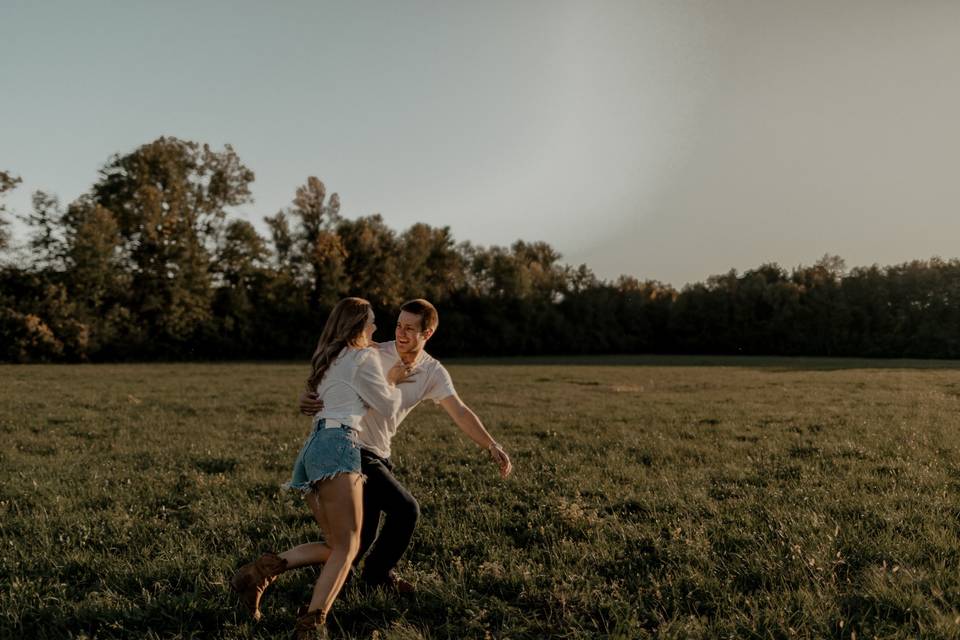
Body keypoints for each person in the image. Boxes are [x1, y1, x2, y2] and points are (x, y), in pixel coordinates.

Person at [299, 298, 513, 594]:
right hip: (352, 448)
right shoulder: (374, 350)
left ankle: (334, 584)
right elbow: (335, 363)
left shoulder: (432, 372)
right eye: (399, 325)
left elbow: (460, 411)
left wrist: (491, 444)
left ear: (428, 334)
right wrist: (308, 394)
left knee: (363, 536)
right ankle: (376, 577)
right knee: (405, 510)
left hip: (380, 454)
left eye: (410, 329)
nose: (400, 333)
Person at [230, 297, 411, 640]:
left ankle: (257, 574)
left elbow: (319, 400)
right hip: (339, 446)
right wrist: (395, 377)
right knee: (349, 547)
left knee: (334, 544)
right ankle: (312, 625)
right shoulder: (363, 357)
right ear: (359, 327)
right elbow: (387, 407)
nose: (376, 329)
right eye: (371, 323)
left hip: (315, 447)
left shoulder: (328, 356)